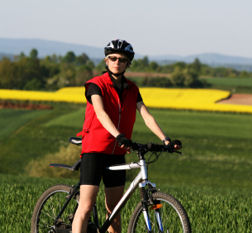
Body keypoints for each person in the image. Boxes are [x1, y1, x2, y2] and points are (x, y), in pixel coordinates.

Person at [72, 39, 181, 233]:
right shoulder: (95, 85)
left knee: (114, 211)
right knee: (86, 207)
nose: (117, 62)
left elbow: (146, 115)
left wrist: (165, 140)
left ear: (128, 63)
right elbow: (101, 113)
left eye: (122, 60)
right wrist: (118, 135)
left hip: (117, 153)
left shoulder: (132, 89)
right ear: (106, 61)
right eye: (112, 58)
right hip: (94, 150)